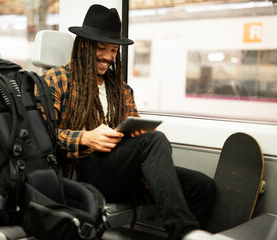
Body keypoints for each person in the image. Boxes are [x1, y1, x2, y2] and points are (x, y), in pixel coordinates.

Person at [38, 4, 215, 240]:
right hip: (82, 170)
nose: (109, 57)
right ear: (84, 45)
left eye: (114, 50)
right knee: (154, 140)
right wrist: (85, 137)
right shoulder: (56, 79)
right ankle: (185, 232)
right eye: (102, 48)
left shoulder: (121, 90)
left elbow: (140, 141)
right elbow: (42, 138)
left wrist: (135, 134)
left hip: (121, 171)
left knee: (203, 188)